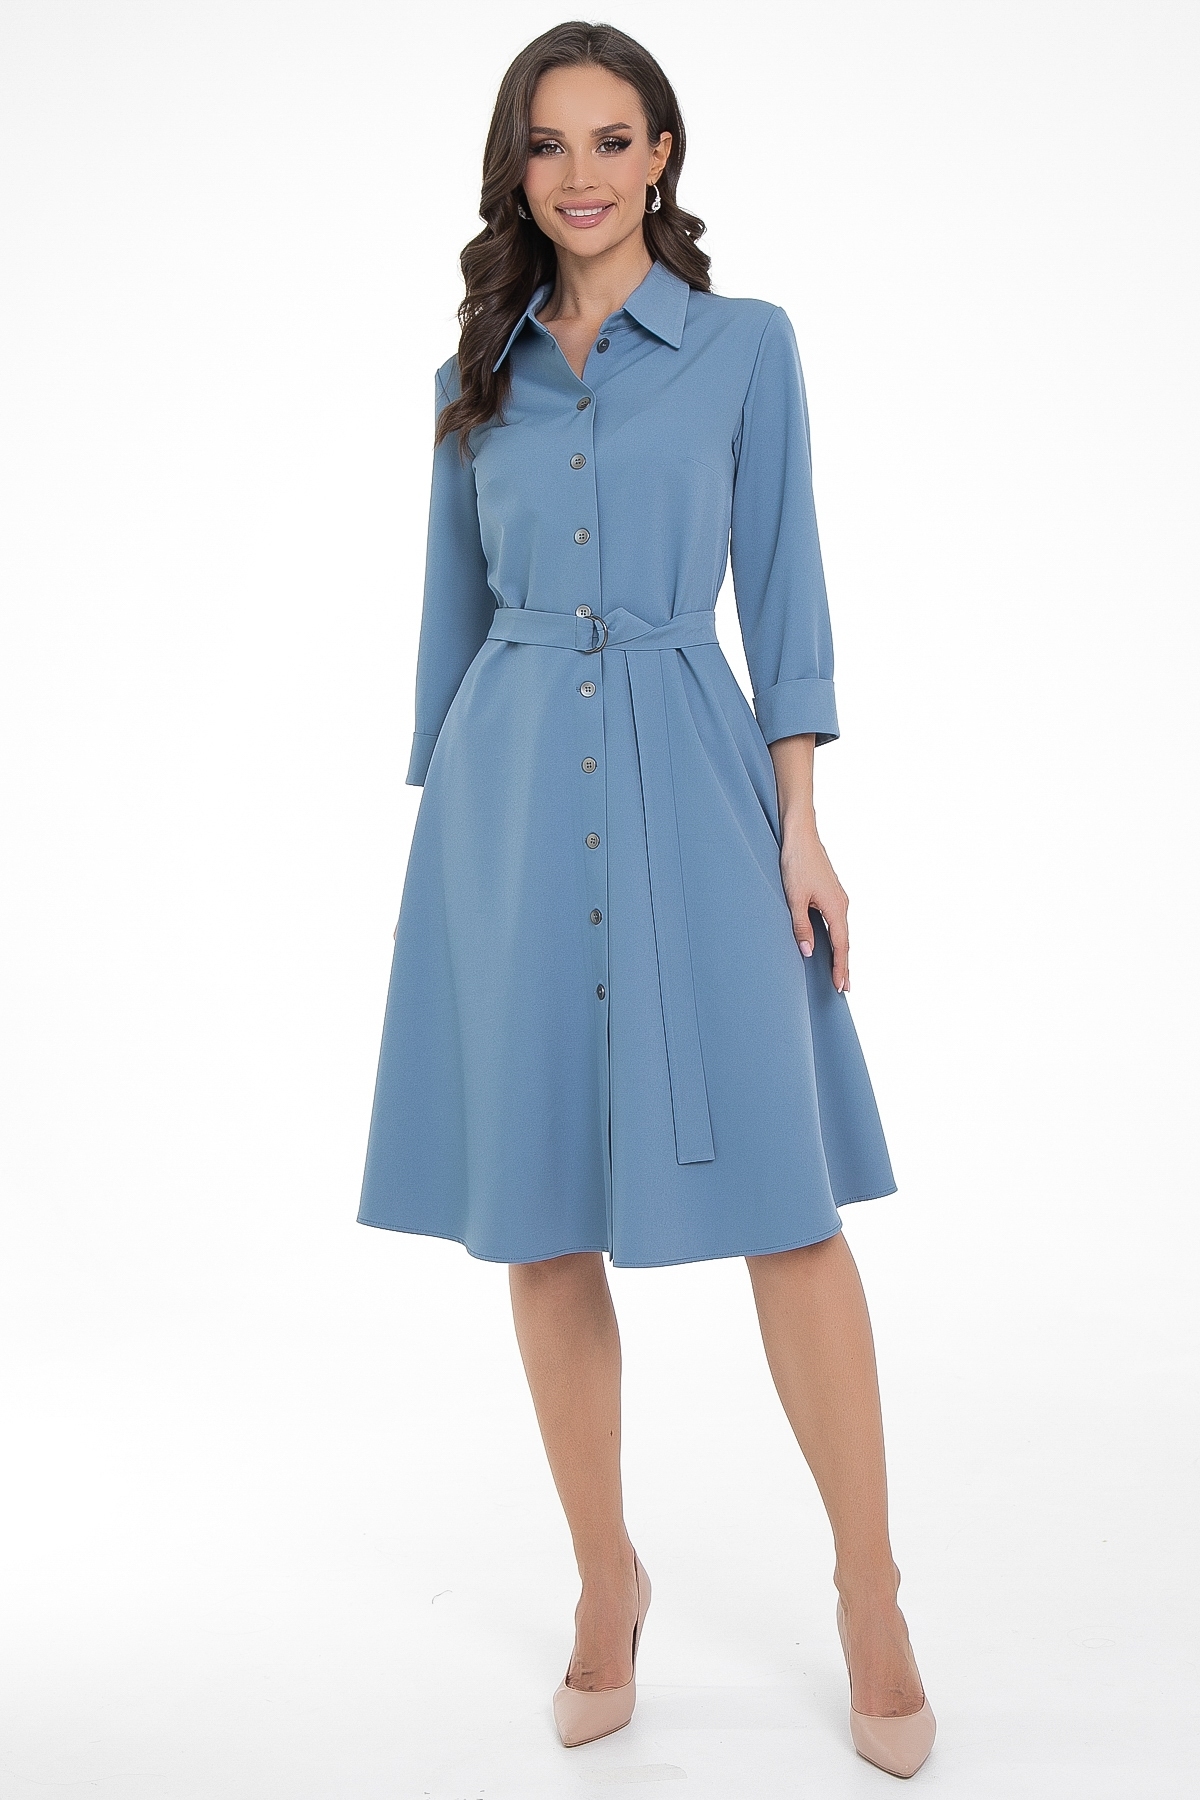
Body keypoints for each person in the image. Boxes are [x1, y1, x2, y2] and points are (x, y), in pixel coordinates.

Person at [358, 19, 936, 1779]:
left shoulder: (746, 347)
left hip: (694, 774)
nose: (583, 175)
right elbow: (452, 626)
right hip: (512, 803)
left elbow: (789, 589)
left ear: (662, 153)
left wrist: (803, 825)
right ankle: (605, 1584)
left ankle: (870, 1592)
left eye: (614, 140)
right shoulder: (478, 373)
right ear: (517, 168)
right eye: (550, 145)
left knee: (788, 1206)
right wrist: (451, 862)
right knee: (540, 1217)